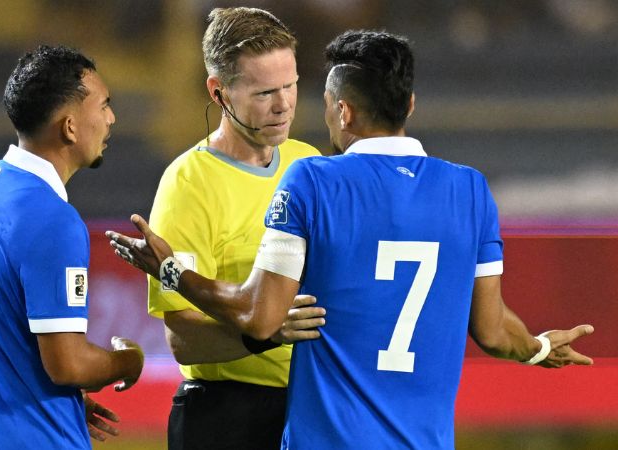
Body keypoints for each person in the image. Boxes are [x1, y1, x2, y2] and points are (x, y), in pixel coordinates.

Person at [107, 30, 595, 449]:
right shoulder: (470, 190)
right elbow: (492, 330)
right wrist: (534, 347)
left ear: (342, 111)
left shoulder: (312, 180)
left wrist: (171, 271)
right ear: (409, 104)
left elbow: (261, 316)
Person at [0, 45, 144, 449]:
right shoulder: (53, 220)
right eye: (104, 106)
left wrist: (45, 394)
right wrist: (127, 360)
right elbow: (69, 363)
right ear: (69, 127)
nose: (111, 118)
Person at [144, 7, 324, 450]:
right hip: (227, 419)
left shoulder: (310, 162)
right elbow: (181, 339)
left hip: (312, 409)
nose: (283, 104)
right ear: (219, 92)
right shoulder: (188, 183)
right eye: (265, 92)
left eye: (291, 85)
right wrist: (262, 333)